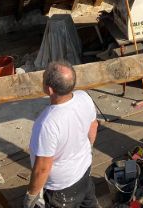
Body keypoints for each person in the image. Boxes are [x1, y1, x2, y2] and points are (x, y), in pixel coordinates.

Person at [24, 60, 99, 208]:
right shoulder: (84, 97)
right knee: (89, 202)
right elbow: (93, 126)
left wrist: (31, 195)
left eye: (43, 78)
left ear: (50, 90)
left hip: (61, 189)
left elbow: (43, 168)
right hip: (84, 171)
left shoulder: (47, 123)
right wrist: (85, 152)